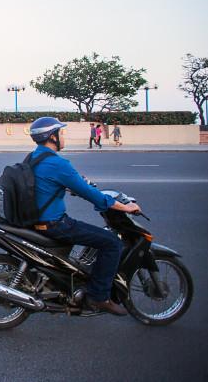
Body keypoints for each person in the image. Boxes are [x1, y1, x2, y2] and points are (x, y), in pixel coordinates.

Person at [28, 116, 141, 316]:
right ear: (52, 137)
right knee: (112, 242)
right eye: (61, 133)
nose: (63, 136)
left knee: (94, 235)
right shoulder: (57, 163)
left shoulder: (33, 157)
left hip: (35, 219)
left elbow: (48, 184)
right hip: (55, 224)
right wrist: (125, 208)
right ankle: (99, 297)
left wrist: (73, 186)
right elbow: (93, 196)